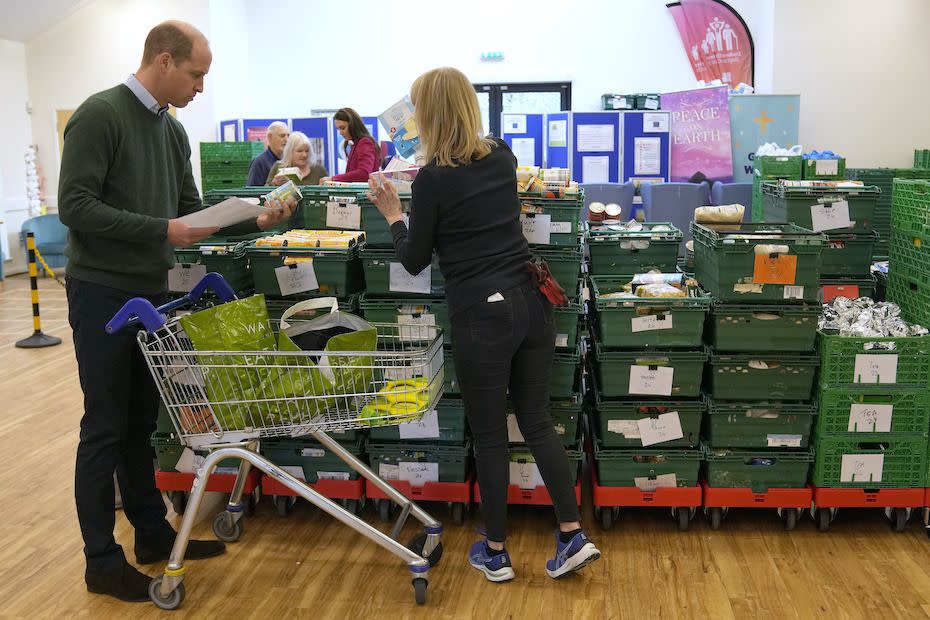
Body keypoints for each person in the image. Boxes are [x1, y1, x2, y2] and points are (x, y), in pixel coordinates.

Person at [58, 21, 294, 603]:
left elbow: (192, 212)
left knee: (141, 422)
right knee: (105, 428)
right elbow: (75, 206)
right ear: (163, 61)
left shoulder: (172, 132)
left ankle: (153, 535)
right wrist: (164, 229)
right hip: (103, 294)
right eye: (196, 74)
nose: (201, 86)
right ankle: (100, 561)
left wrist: (252, 218)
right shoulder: (100, 115)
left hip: (152, 292)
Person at [367, 67, 601, 583]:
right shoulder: (501, 155)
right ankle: (570, 535)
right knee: (537, 422)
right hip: (533, 301)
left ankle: (495, 552)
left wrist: (391, 213)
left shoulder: (431, 180)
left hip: (483, 315)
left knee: (492, 436)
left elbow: (413, 259)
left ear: (425, 115)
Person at [320, 107, 381, 183]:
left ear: (353, 125)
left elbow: (364, 173)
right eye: (338, 129)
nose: (340, 132)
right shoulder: (356, 144)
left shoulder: (365, 142)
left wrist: (333, 179)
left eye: (343, 128)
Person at [247, 121, 289, 185]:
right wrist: (272, 184)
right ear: (270, 137)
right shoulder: (259, 163)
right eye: (282, 136)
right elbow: (251, 191)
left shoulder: (288, 160)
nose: (286, 139)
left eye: (288, 135)